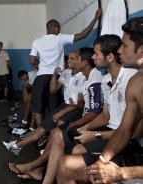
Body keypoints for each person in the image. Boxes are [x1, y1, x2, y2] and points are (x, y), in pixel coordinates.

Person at [56, 34, 137, 184]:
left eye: (96, 54)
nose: (93, 57)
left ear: (110, 57)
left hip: (125, 140)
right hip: (110, 129)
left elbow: (130, 131)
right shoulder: (106, 79)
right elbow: (105, 115)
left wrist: (96, 135)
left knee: (67, 162)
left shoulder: (132, 79)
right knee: (70, 142)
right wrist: (85, 128)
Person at [86, 17, 143, 184]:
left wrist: (121, 173)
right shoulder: (135, 83)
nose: (119, 51)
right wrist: (102, 161)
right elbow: (124, 131)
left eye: (125, 46)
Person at [29, 9, 102, 127]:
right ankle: (50, 134)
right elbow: (83, 35)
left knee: (37, 108)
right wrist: (96, 18)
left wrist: (41, 64)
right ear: (56, 29)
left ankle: (41, 136)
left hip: (41, 76)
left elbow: (32, 61)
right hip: (56, 76)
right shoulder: (60, 38)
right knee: (53, 108)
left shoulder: (36, 41)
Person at [3, 51, 85, 155]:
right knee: (42, 127)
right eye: (68, 58)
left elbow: (77, 103)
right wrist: (54, 76)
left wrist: (59, 113)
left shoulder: (83, 76)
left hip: (74, 108)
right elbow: (53, 90)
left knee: (54, 126)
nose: (68, 61)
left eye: (73, 58)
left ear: (82, 61)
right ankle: (17, 146)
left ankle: (46, 150)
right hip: (65, 105)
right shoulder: (67, 73)